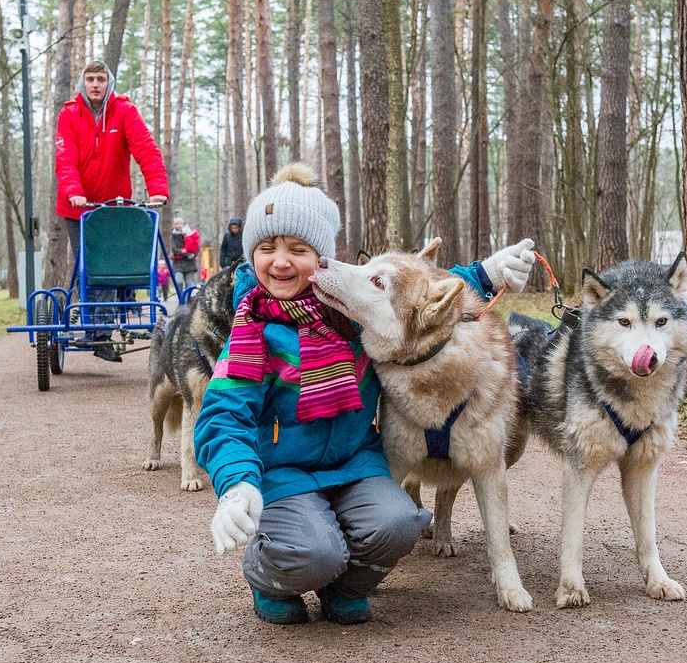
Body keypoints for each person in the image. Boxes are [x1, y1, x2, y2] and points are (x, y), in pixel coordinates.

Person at [193, 163, 536, 626]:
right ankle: (269, 575)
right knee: (315, 550)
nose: (280, 262)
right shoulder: (251, 330)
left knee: (400, 523)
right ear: (251, 255)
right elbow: (223, 416)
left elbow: (411, 300)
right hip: (285, 475)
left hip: (353, 466)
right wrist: (236, 485)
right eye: (267, 248)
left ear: (321, 256)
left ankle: (345, 586)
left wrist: (487, 273)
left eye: (298, 249)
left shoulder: (348, 313)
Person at [56, 59, 169, 362]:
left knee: (114, 265)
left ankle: (112, 316)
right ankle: (100, 332)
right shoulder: (69, 114)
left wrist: (157, 187)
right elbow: (65, 159)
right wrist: (75, 193)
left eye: (101, 79)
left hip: (114, 207)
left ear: (109, 83)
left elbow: (145, 149)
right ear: (83, 83)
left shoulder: (124, 110)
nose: (95, 84)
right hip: (79, 208)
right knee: (91, 267)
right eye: (90, 79)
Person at [169, 217, 201, 291]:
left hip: (190, 263)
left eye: (180, 223)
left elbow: (196, 246)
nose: (179, 225)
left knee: (189, 283)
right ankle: (181, 298)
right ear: (175, 225)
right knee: (179, 281)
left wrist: (193, 255)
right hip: (178, 263)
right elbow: (174, 249)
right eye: (177, 224)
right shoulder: (173, 236)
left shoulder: (190, 234)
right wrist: (185, 254)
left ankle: (188, 300)